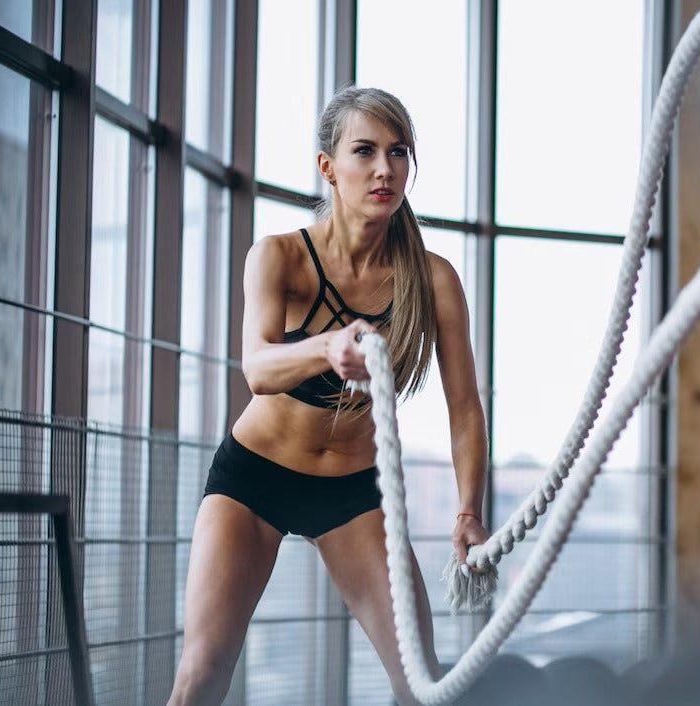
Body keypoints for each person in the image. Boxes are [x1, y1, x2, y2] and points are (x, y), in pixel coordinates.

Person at [168, 86, 489, 706]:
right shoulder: (281, 256)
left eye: (398, 153)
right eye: (364, 151)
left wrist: (468, 509)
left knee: (423, 683)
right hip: (253, 479)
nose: (384, 169)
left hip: (350, 492)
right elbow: (257, 367)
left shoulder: (434, 279)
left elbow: (465, 408)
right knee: (201, 674)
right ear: (328, 167)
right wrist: (325, 348)